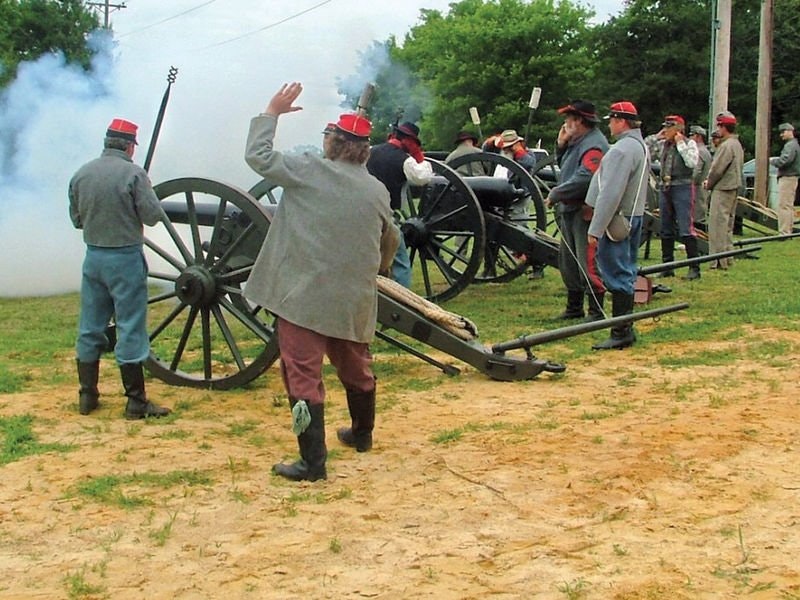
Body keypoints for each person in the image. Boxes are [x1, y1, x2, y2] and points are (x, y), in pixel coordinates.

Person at [244, 82, 400, 482]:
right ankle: (362, 434)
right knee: (356, 368)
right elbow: (391, 238)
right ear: (364, 151)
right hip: (353, 299)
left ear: (332, 143)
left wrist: (272, 112)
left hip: (303, 299)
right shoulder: (377, 189)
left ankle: (312, 463)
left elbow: (257, 156)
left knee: (302, 377)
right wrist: (379, 270)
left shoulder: (308, 168)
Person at [68, 118, 172, 419]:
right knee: (129, 326)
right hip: (125, 259)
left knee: (90, 327)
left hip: (94, 258)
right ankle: (136, 402)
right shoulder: (134, 173)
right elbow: (153, 216)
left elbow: (77, 220)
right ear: (129, 146)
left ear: (106, 143)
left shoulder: (81, 174)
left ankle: (87, 397)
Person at [585, 101, 649, 350]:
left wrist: (595, 228)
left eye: (611, 120)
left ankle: (621, 331)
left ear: (621, 121)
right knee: (626, 270)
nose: (609, 125)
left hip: (618, 219)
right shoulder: (639, 146)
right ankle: (624, 327)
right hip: (633, 215)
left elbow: (610, 193)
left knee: (617, 272)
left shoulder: (622, 150)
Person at [545, 100, 609, 321]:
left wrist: (556, 193)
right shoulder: (578, 142)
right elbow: (567, 167)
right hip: (570, 208)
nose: (565, 123)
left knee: (587, 261)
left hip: (584, 210)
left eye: (569, 119)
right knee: (569, 262)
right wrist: (561, 145)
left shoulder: (594, 145)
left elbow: (585, 177)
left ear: (580, 121)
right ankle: (574, 308)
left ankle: (596, 310)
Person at [366, 121, 434, 288]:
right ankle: (403, 297)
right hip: (388, 215)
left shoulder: (370, 151)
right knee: (401, 260)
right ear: (408, 141)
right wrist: (419, 156)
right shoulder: (404, 160)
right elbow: (423, 178)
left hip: (365, 211)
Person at [646, 115, 701, 280]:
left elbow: (692, 163)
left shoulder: (689, 144)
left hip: (682, 186)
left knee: (686, 227)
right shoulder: (663, 145)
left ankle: (694, 268)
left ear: (678, 129)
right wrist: (657, 137)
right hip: (665, 187)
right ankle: (667, 266)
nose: (666, 130)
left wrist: (680, 144)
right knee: (665, 227)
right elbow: (646, 150)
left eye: (669, 127)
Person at [704, 111, 744, 269]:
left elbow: (717, 169)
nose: (718, 129)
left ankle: (717, 260)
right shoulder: (736, 144)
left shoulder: (726, 145)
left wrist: (709, 183)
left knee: (717, 225)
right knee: (727, 225)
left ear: (724, 127)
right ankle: (728, 257)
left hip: (722, 188)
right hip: (733, 187)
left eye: (719, 125)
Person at [770, 122, 800, 234]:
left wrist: (773, 161)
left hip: (787, 177)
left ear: (789, 131)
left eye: (783, 132)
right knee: (789, 205)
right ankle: (789, 229)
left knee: (784, 206)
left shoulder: (790, 145)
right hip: (792, 178)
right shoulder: (794, 144)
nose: (781, 135)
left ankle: (784, 232)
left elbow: (785, 160)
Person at [690, 125, 712, 231]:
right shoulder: (705, 151)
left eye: (692, 135)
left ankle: (699, 243)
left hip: (697, 188)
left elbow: (696, 171)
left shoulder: (699, 151)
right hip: (703, 187)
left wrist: (689, 183)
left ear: (698, 136)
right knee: (700, 214)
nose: (690, 138)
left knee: (697, 217)